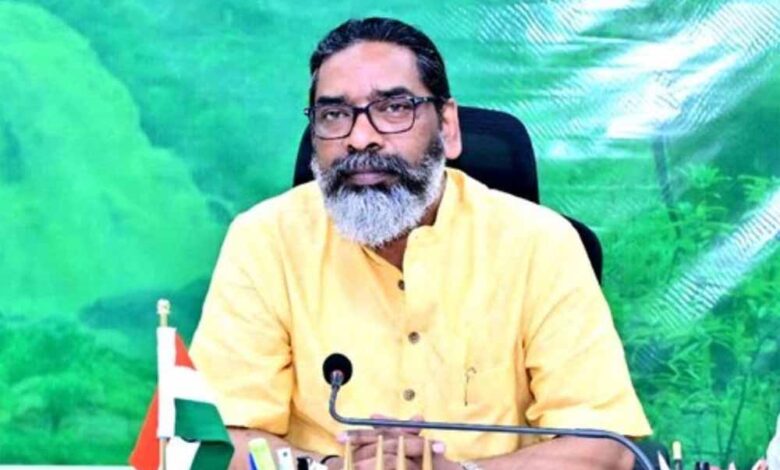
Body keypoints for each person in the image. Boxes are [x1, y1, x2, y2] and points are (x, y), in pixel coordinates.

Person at [190, 17, 652, 470]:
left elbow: (604, 446)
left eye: (394, 108)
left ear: (447, 126)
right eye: (334, 115)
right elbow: (219, 437)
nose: (360, 138)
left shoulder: (540, 243)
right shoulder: (265, 240)